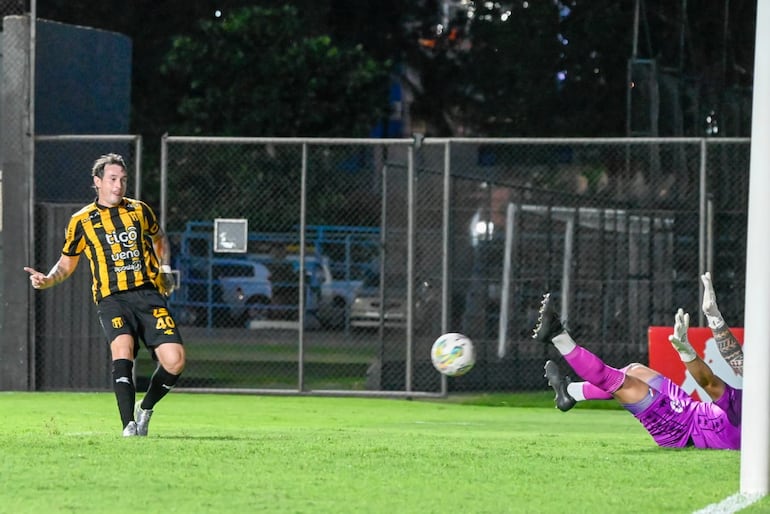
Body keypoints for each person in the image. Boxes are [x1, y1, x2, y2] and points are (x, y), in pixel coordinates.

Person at [24, 153, 186, 437]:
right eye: (112, 179)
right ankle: (128, 426)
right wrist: (47, 280)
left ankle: (145, 408)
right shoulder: (81, 221)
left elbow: (159, 238)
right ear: (97, 182)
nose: (118, 185)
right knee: (122, 350)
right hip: (112, 299)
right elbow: (67, 262)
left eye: (123, 180)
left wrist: (164, 268)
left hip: (148, 295)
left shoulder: (138, 210)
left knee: (175, 360)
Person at [533, 292, 740, 450]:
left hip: (681, 429)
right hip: (691, 409)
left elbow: (709, 383)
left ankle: (558, 336)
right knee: (635, 370)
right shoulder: (753, 406)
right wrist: (715, 318)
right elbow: (732, 363)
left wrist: (687, 353)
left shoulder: (750, 414)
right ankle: (570, 393)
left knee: (622, 384)